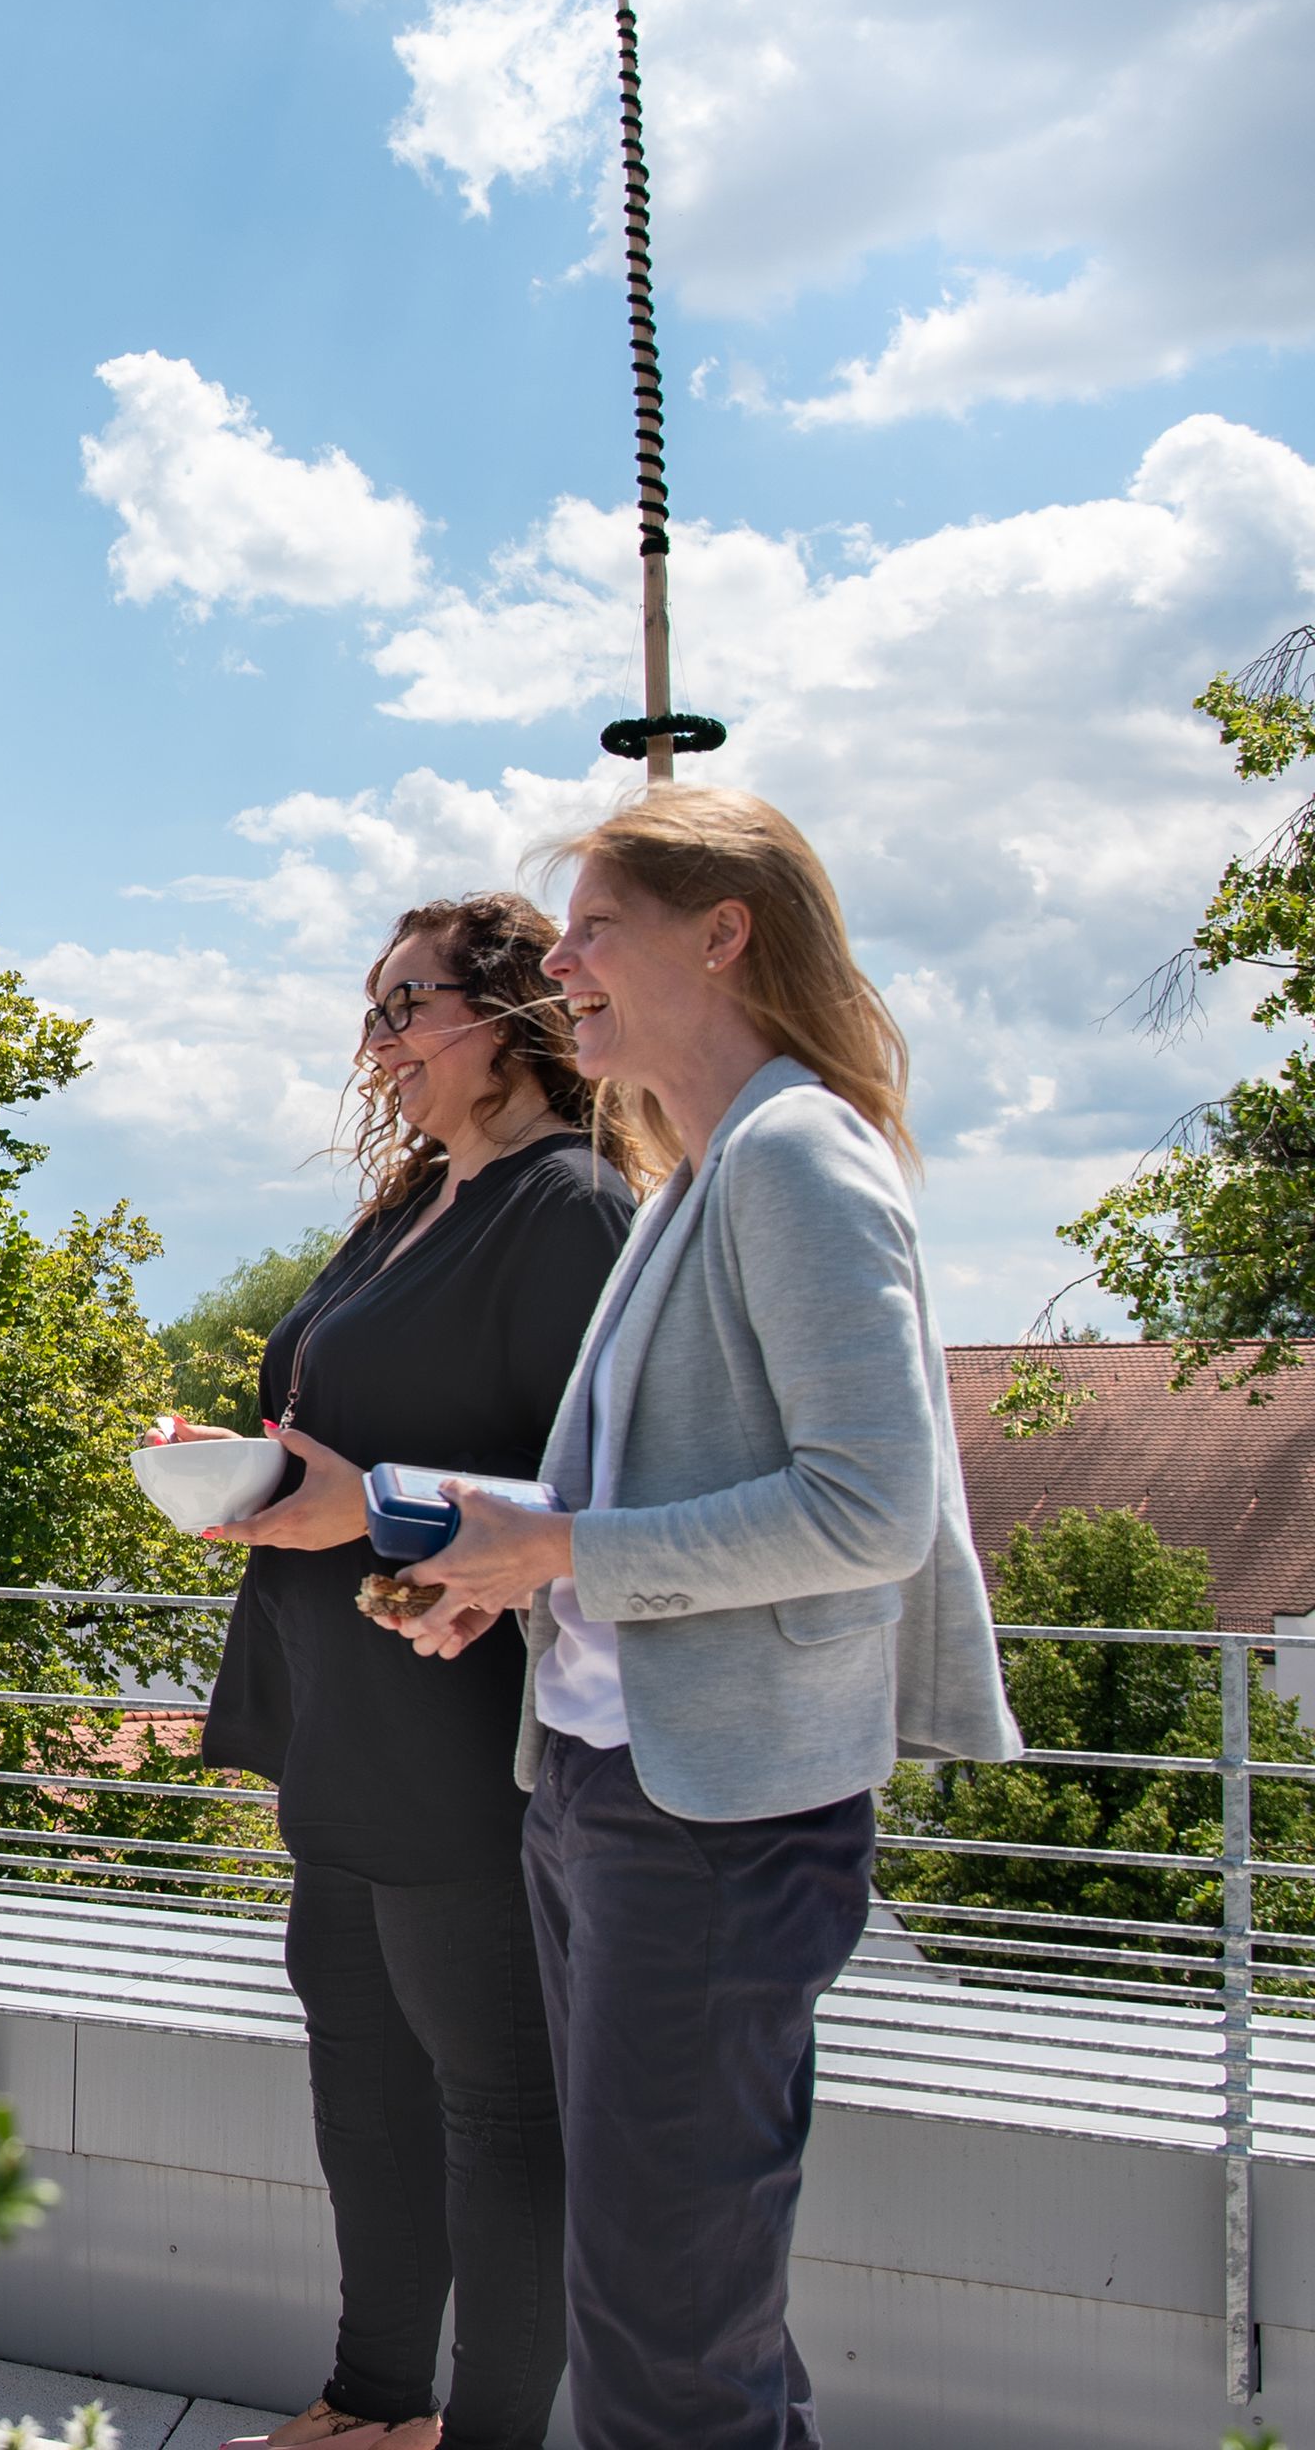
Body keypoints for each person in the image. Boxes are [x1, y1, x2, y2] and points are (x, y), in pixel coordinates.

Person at [398, 789, 1021, 2450]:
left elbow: (870, 1509)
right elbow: (636, 1505)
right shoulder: (695, 1168)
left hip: (714, 1827)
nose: (559, 960)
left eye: (595, 926)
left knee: (670, 2342)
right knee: (666, 2314)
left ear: (722, 930)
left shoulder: (798, 1153)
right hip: (612, 1793)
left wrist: (568, 1551)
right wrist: (514, 1580)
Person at [176, 894, 635, 2450]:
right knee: (363, 2086)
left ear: (509, 1016)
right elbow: (345, 1432)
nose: (375, 1044)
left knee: (495, 2108)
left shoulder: (569, 1205)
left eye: (405, 1007)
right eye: (369, 1012)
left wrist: (359, 1496)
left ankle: (482, 2433)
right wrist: (256, 1476)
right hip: (342, 1711)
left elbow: (591, 1479)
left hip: (456, 1722)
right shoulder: (412, 1201)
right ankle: (370, 2410)